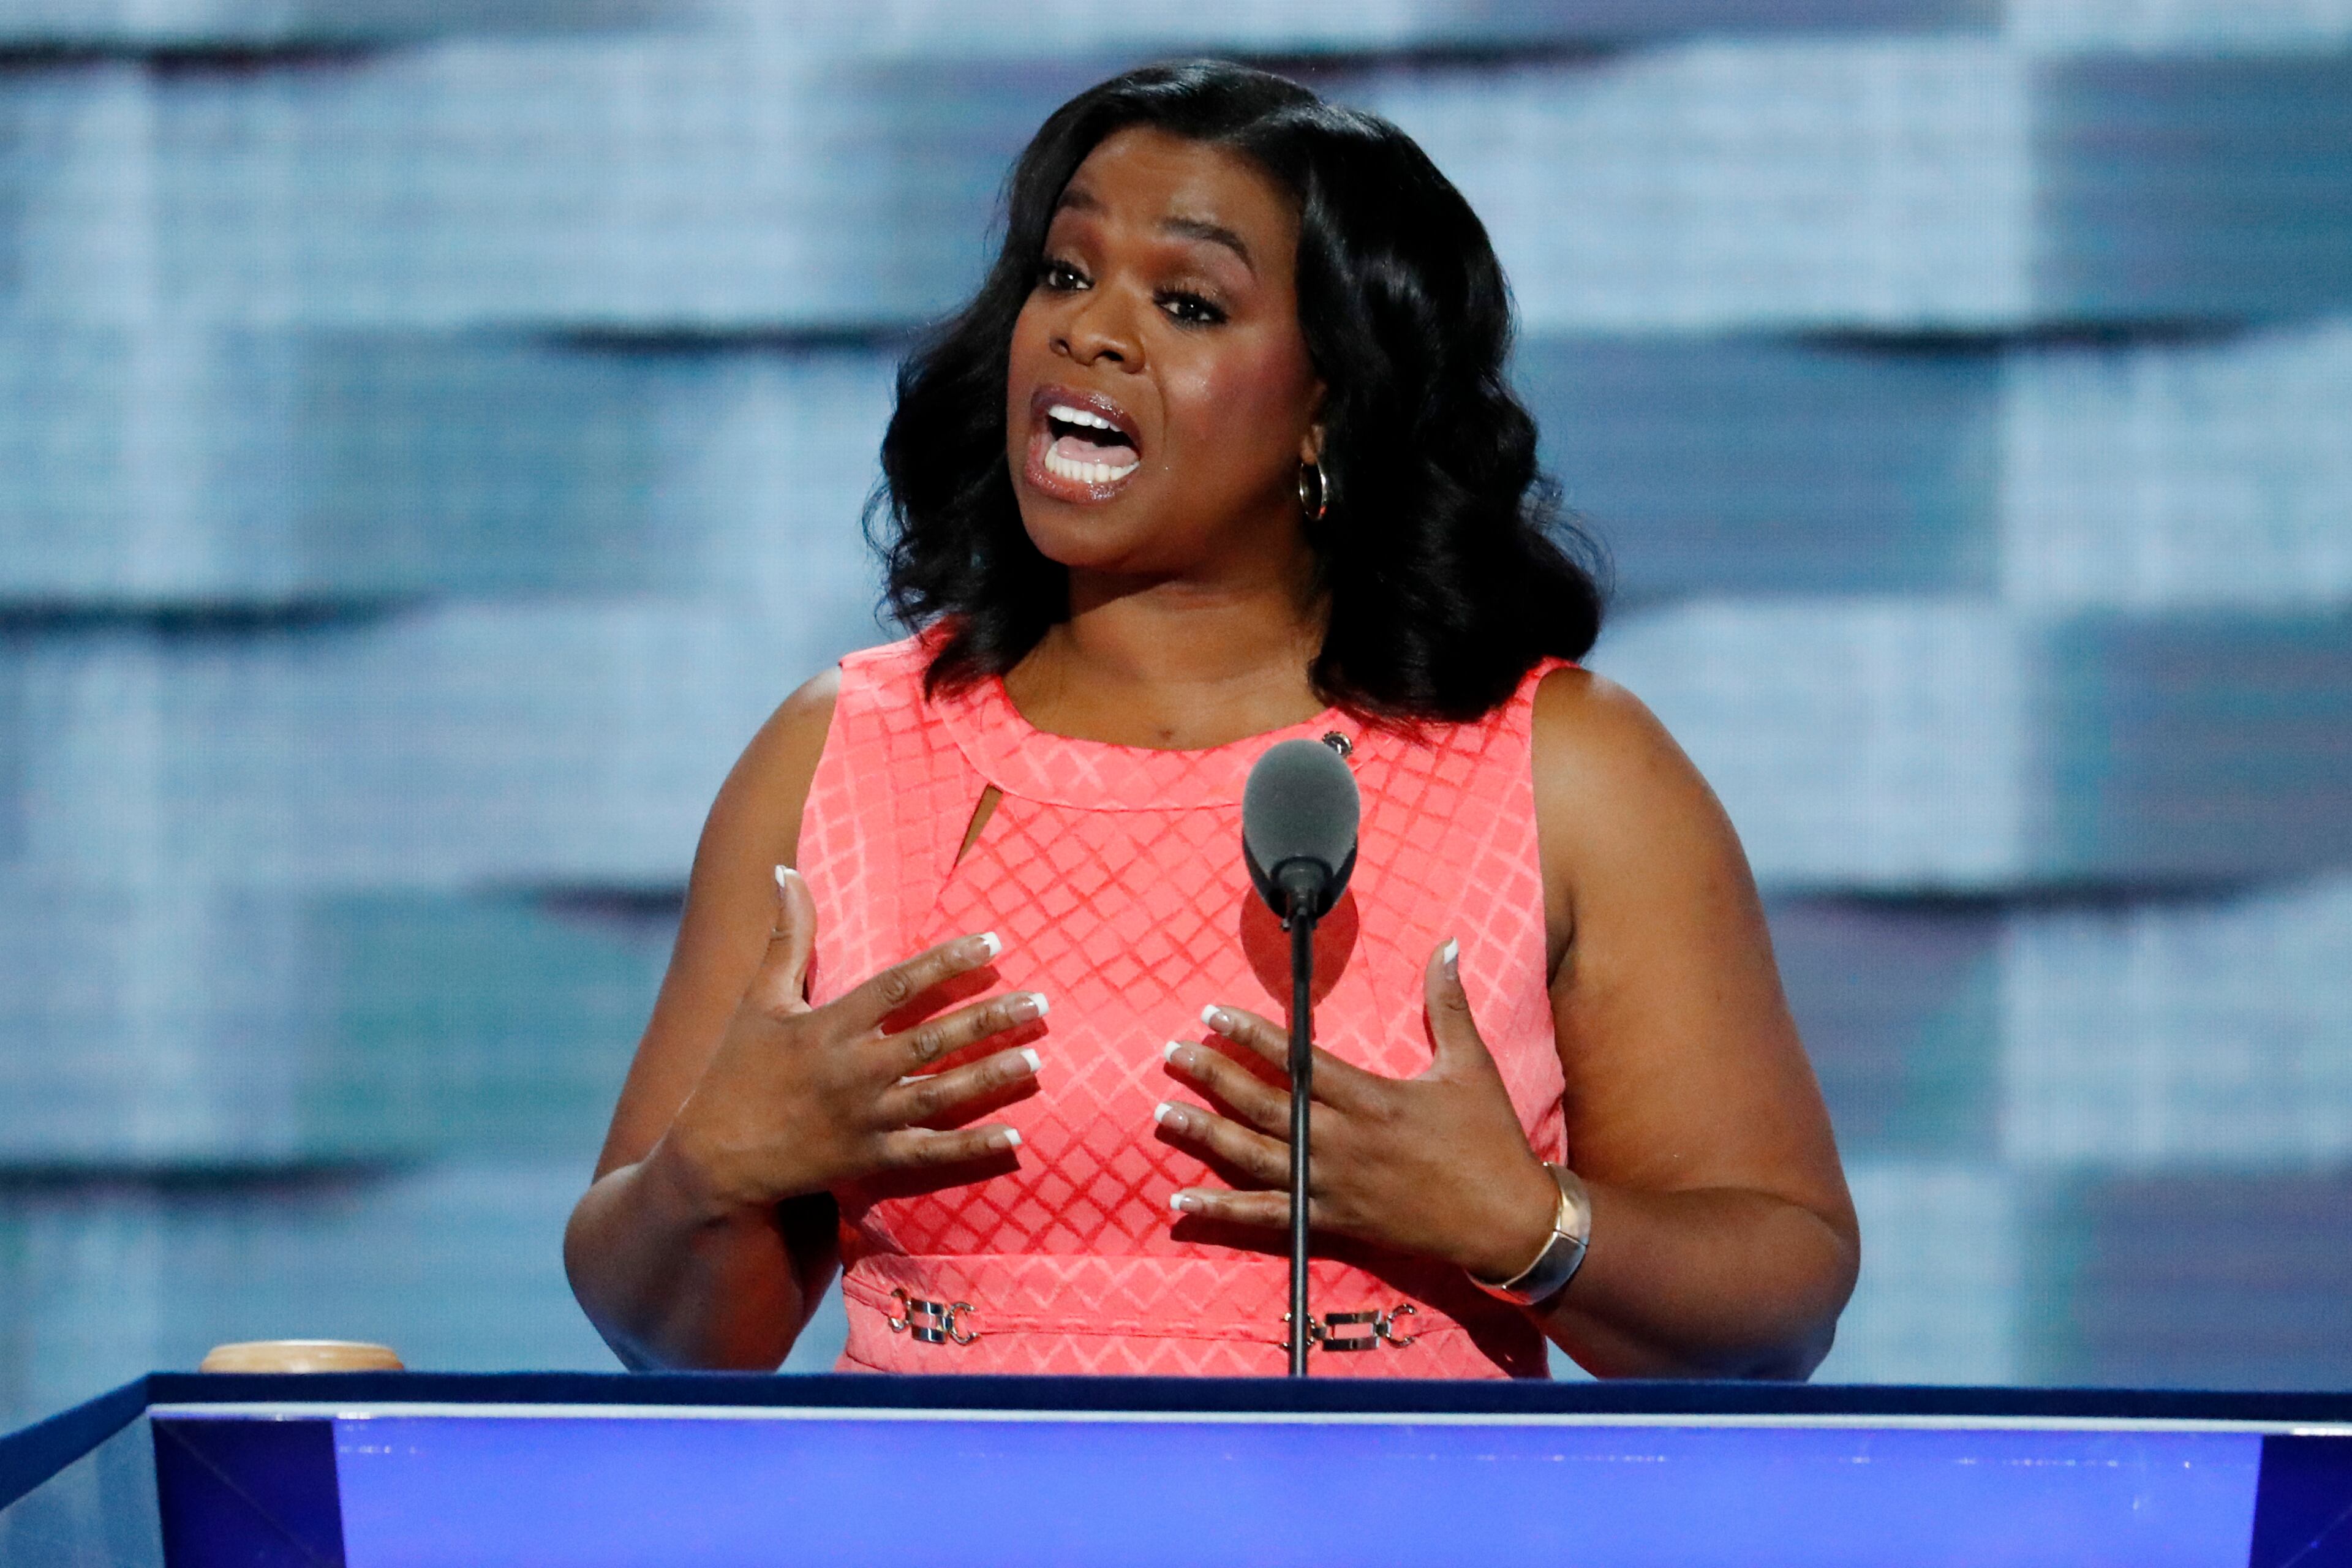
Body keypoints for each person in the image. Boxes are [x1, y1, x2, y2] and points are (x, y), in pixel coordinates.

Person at [565, 59, 1857, 1379]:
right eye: (1064, 275)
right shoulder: (838, 750)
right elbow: (676, 1336)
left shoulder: (1565, 766)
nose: (1091, 330)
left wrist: (1523, 1224)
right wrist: (709, 1171)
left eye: (1186, 301)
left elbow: (1778, 1300)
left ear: (1329, 409)